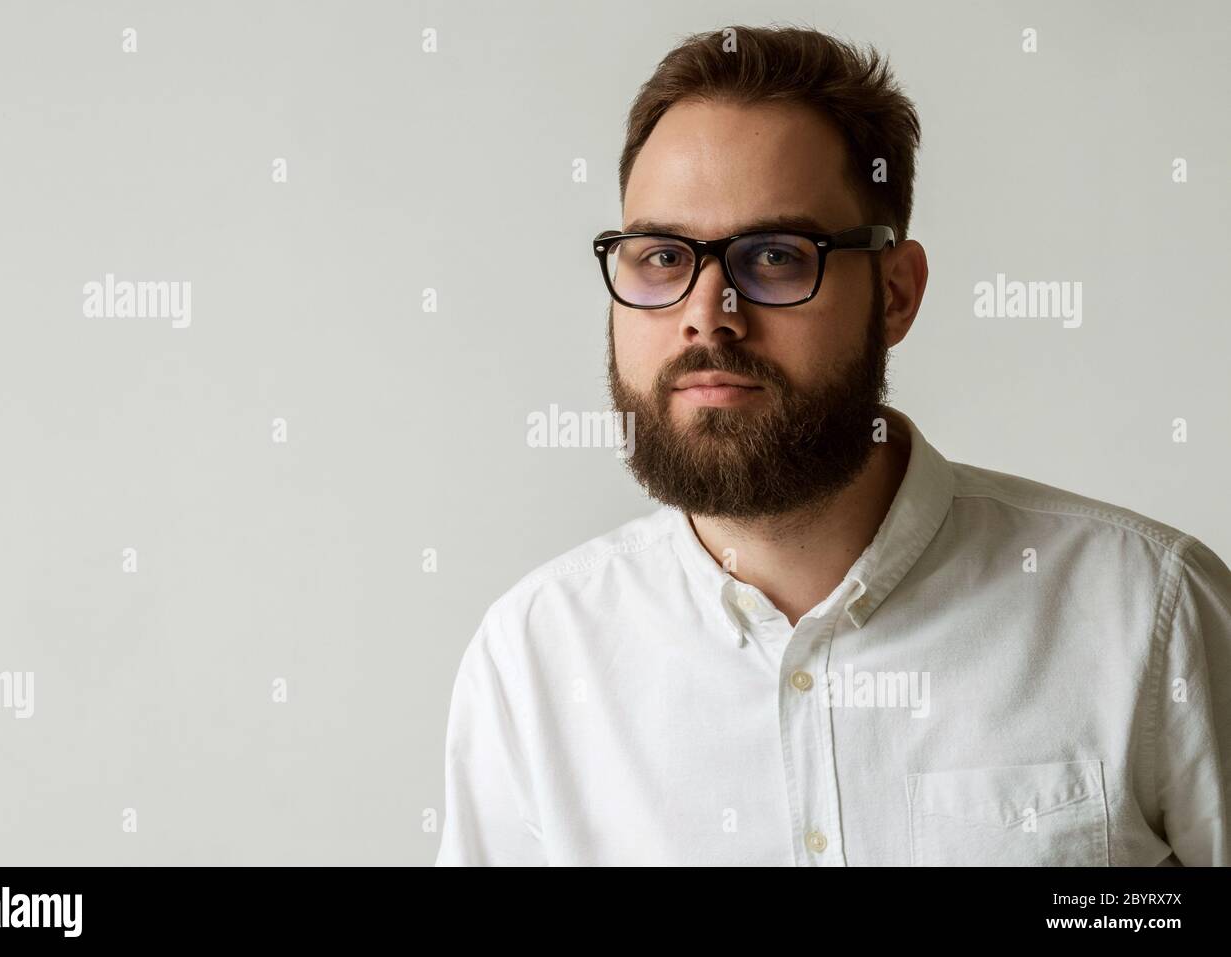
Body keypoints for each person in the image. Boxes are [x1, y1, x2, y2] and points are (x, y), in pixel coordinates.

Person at [435, 24, 1231, 866]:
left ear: (895, 293)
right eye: (663, 256)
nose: (708, 312)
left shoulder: (1151, 614)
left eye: (774, 256)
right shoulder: (534, 661)